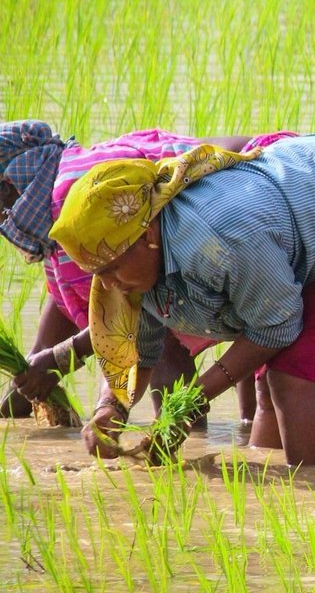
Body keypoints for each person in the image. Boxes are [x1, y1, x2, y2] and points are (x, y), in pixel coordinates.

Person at [48, 133, 315, 466]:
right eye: (99, 273)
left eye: (113, 269)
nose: (109, 284)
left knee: (294, 373)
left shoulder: (221, 242)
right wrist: (109, 410)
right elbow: (138, 352)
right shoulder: (131, 266)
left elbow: (276, 327)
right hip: (306, 198)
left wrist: (196, 398)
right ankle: (271, 492)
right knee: (268, 379)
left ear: (148, 234)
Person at [1, 121, 291, 423]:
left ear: (8, 185)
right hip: (241, 202)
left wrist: (64, 362)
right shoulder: (55, 201)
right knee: (244, 340)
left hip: (255, 190)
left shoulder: (73, 198)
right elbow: (61, 306)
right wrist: (27, 384)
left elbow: (128, 318)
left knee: (171, 331)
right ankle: (241, 433)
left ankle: (188, 439)